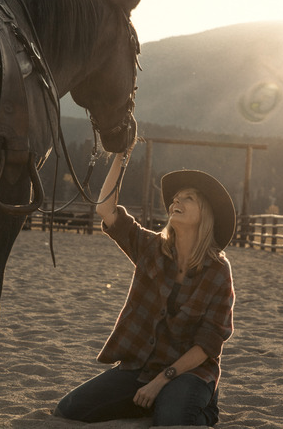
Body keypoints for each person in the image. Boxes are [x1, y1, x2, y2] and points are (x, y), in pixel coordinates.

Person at [54, 151, 236, 427]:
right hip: (140, 369)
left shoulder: (218, 271)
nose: (177, 199)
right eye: (177, 196)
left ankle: (203, 407)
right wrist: (119, 156)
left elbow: (208, 344)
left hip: (189, 372)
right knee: (68, 410)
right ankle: (151, 409)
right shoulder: (151, 248)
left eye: (189, 198)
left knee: (174, 418)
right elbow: (106, 210)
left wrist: (162, 380)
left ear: (205, 216)